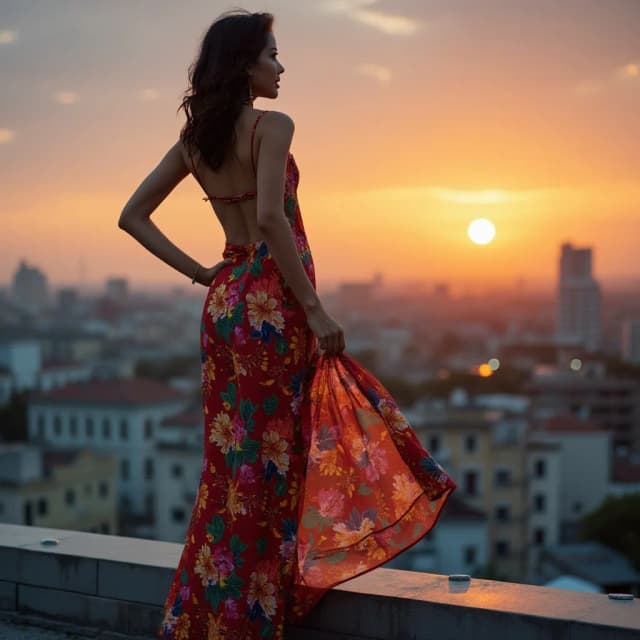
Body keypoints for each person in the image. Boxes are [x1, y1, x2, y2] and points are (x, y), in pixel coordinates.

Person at [119, 9, 456, 640]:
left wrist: (204, 275)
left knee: (234, 464)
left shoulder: (198, 139)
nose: (281, 66)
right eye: (272, 55)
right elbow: (272, 220)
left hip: (226, 305)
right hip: (274, 305)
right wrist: (316, 309)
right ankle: (261, 612)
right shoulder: (274, 126)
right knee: (277, 458)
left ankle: (218, 612)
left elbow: (132, 216)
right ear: (247, 64)